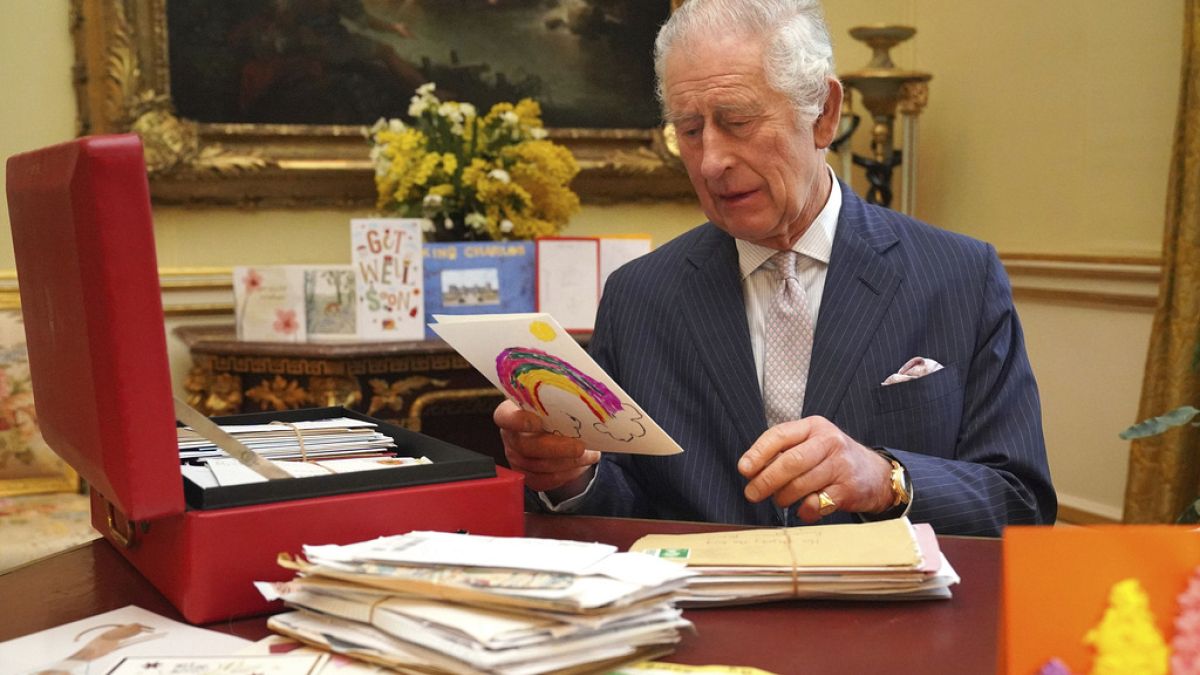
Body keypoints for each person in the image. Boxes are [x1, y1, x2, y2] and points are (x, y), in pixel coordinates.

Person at [493, 0, 1056, 536]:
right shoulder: (640, 296)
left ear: (824, 114)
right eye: (689, 131)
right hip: (701, 624)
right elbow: (627, 508)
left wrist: (889, 481)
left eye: (736, 121)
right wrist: (570, 476)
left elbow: (1022, 503)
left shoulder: (958, 275)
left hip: (887, 626)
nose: (711, 161)